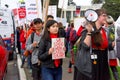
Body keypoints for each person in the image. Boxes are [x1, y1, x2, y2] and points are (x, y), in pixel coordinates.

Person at [74, 9, 111, 80]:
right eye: (104, 15)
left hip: (103, 60)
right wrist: (89, 32)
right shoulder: (87, 30)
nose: (106, 17)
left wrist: (111, 44)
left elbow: (105, 46)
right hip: (91, 61)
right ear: (97, 17)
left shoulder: (105, 31)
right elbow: (85, 46)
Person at [106, 15, 120, 80]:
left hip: (110, 51)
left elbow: (111, 42)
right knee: (113, 67)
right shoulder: (115, 27)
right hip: (113, 51)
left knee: (112, 67)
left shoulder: (109, 29)